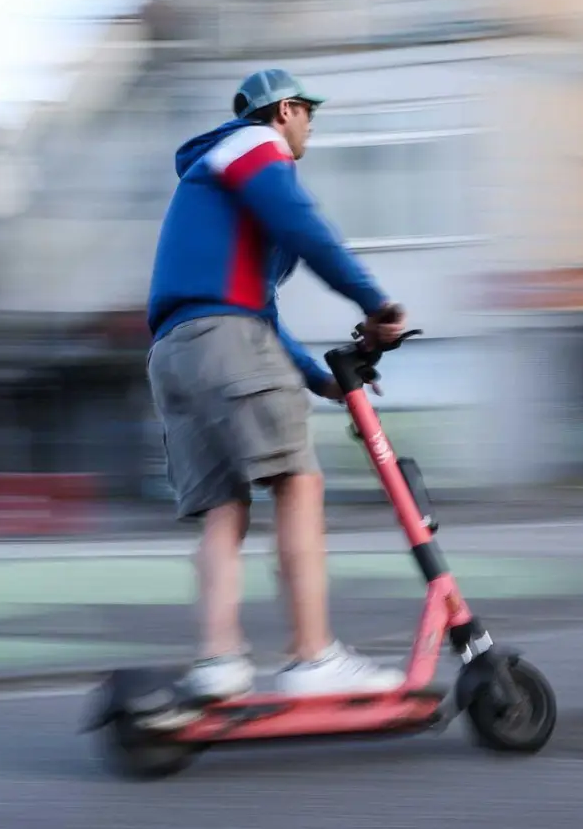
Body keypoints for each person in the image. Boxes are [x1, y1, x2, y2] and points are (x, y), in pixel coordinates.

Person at [145, 68, 409, 699]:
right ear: (285, 109)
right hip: (226, 341)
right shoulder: (254, 147)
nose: (309, 128)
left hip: (176, 353)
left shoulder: (217, 171)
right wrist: (375, 302)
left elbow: (256, 305)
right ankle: (313, 656)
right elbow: (307, 230)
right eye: (308, 115)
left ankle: (219, 661)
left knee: (225, 508)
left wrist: (318, 380)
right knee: (298, 481)